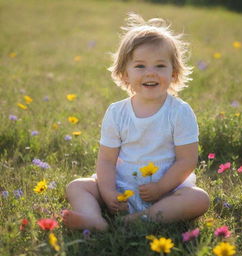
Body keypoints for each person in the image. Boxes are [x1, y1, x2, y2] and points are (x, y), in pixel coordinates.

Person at [63, 13, 210, 231]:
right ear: (124, 75)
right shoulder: (117, 112)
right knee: (76, 187)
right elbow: (106, 160)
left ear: (174, 73)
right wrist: (109, 193)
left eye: (160, 66)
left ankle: (142, 218)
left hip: (166, 191)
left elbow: (186, 160)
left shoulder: (180, 112)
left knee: (199, 199)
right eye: (140, 66)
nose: (150, 73)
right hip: (122, 187)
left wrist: (161, 187)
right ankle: (94, 219)